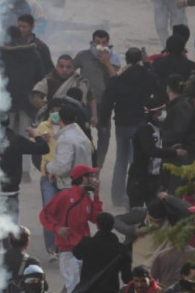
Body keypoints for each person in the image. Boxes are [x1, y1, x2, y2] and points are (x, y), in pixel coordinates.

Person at [101, 48, 161, 208]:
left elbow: (107, 102)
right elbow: (158, 94)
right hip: (140, 124)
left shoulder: (118, 78)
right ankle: (133, 195)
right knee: (137, 161)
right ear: (140, 59)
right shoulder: (148, 76)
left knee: (121, 160)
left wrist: (102, 123)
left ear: (126, 60)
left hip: (121, 123)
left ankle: (117, 196)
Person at [41, 164, 102, 293]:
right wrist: (57, 228)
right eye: (90, 176)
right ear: (82, 178)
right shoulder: (64, 196)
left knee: (84, 291)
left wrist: (96, 196)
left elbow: (96, 219)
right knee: (75, 292)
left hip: (85, 251)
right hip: (68, 251)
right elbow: (45, 214)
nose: (94, 179)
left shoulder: (87, 198)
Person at [127, 96, 183, 210]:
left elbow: (157, 147)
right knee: (137, 214)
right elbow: (150, 150)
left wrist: (170, 148)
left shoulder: (158, 128)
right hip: (139, 180)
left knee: (156, 214)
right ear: (154, 111)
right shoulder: (144, 129)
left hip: (154, 180)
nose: (163, 113)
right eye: (161, 110)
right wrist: (174, 153)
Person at [73, 31, 120, 167]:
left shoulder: (113, 58)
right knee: (83, 136)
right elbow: (70, 70)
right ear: (93, 42)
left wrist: (106, 62)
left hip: (104, 104)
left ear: (108, 43)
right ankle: (85, 165)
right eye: (97, 43)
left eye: (103, 43)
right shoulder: (83, 56)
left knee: (104, 137)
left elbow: (116, 79)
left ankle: (98, 167)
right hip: (85, 104)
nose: (100, 46)